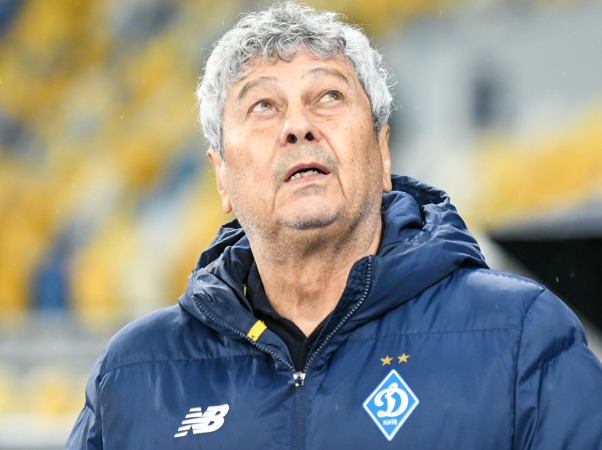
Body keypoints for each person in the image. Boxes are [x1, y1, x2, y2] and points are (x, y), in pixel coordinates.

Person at [66, 3, 602, 448]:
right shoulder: (133, 377)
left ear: (383, 151)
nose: (298, 126)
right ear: (221, 176)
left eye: (328, 96)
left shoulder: (519, 336)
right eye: (263, 106)